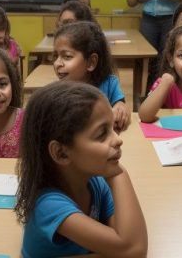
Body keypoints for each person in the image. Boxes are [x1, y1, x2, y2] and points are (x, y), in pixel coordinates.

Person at [15, 81, 147, 257]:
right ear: (61, 153)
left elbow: (126, 236)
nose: (117, 139)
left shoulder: (96, 183)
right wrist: (119, 174)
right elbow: (134, 250)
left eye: (113, 128)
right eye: (102, 134)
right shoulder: (48, 205)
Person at [53, 21, 130, 132]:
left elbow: (121, 105)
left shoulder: (109, 84)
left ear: (91, 62)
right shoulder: (58, 93)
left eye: (67, 56)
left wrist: (121, 107)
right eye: (55, 56)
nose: (57, 63)